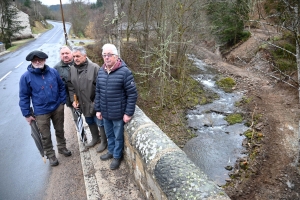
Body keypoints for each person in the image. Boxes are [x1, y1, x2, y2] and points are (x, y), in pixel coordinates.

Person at [19, 50, 72, 167]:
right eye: (35, 60)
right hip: (41, 112)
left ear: (44, 60)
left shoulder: (52, 72)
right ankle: (50, 154)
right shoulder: (26, 77)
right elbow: (24, 96)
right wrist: (27, 114)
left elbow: (61, 86)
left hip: (57, 107)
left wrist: (62, 102)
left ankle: (62, 147)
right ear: (31, 61)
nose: (38, 62)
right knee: (45, 135)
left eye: (40, 59)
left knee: (59, 130)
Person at [95, 43, 138, 170]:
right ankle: (111, 151)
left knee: (118, 137)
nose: (106, 58)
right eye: (104, 55)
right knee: (109, 135)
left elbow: (132, 94)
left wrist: (128, 113)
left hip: (119, 113)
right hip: (105, 112)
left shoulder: (125, 72)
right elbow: (98, 92)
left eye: (109, 55)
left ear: (116, 56)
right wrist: (98, 109)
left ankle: (117, 157)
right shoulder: (101, 71)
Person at [67, 46, 107, 152]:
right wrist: (73, 100)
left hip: (94, 102)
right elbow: (71, 87)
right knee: (89, 121)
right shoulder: (72, 69)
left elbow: (102, 87)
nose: (75, 58)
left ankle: (104, 141)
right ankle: (95, 138)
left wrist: (97, 102)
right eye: (74, 56)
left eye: (78, 56)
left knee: (100, 122)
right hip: (82, 103)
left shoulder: (94, 68)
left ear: (85, 56)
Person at [54, 46, 78, 127]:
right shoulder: (56, 68)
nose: (65, 55)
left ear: (71, 53)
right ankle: (82, 134)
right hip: (69, 98)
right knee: (76, 116)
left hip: (84, 95)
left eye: (67, 53)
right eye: (62, 54)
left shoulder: (78, 62)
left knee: (90, 115)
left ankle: (96, 133)